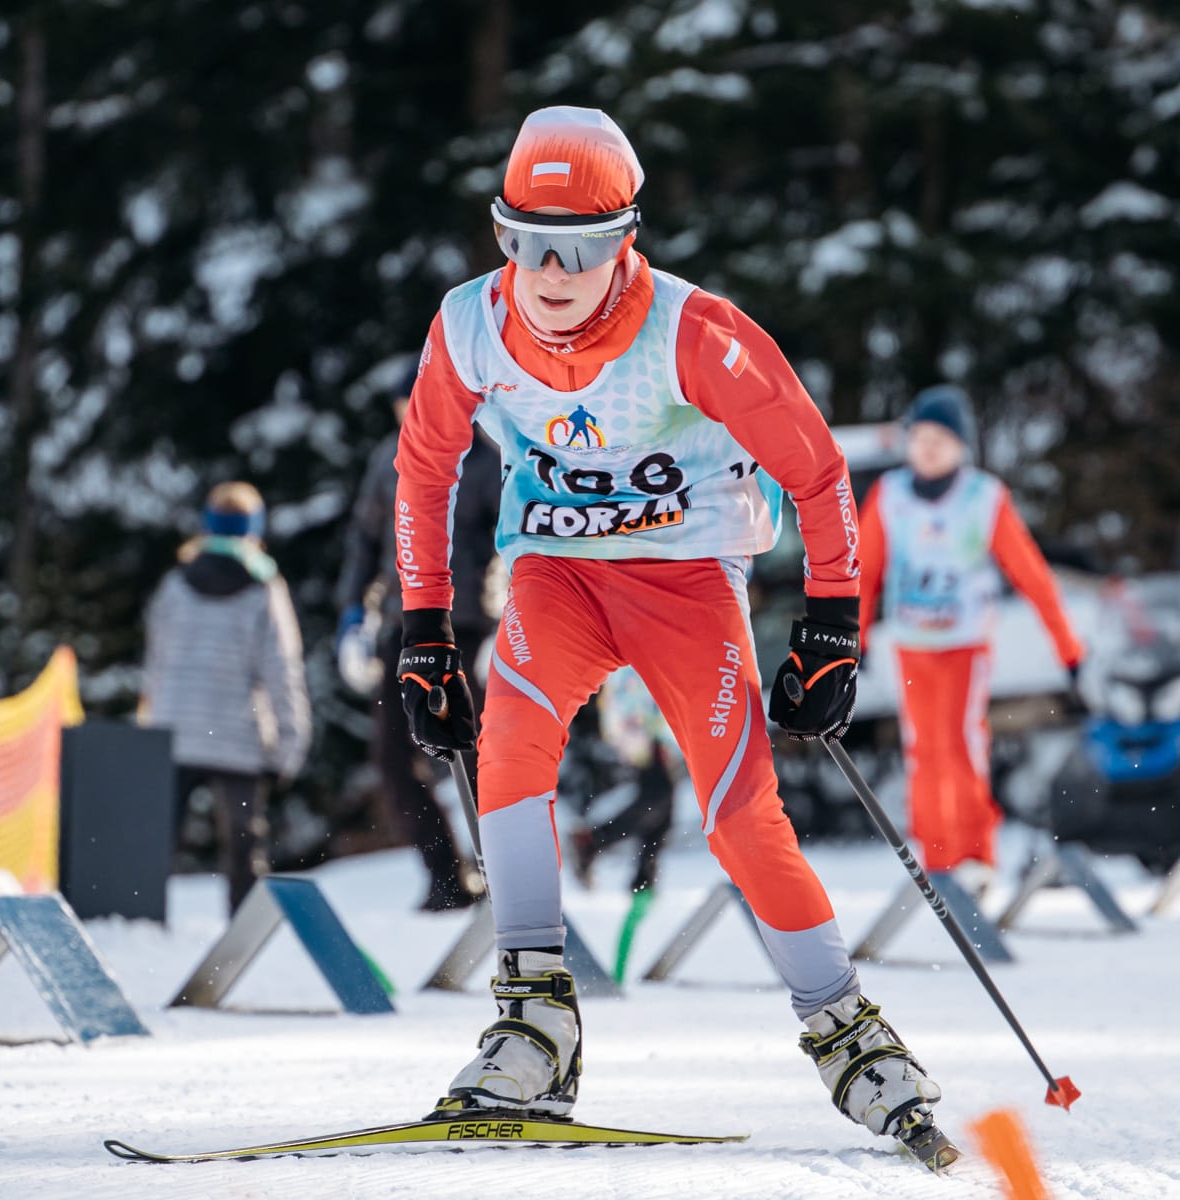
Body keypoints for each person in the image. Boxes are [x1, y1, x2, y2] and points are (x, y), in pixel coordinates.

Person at [391, 106, 947, 1159]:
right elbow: (424, 469)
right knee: (509, 747)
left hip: (686, 581)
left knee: (739, 812)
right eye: (525, 242)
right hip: (557, 574)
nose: (550, 273)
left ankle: (847, 1030)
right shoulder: (468, 325)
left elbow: (818, 470)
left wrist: (832, 624)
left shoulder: (694, 333)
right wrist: (425, 629)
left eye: (582, 247)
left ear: (626, 241)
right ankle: (535, 1020)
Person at [858, 386, 1086, 895]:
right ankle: (937, 859)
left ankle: (976, 855)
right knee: (924, 749)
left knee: (961, 742)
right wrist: (855, 634)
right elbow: (864, 570)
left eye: (940, 440)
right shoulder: (891, 496)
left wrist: (1069, 650)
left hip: (964, 643)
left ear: (960, 447)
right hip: (913, 643)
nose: (928, 449)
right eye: (920, 438)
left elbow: (1032, 576)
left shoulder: (984, 498)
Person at [337, 378, 503, 910]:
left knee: (474, 752)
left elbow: (513, 541)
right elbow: (366, 539)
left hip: (467, 625)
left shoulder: (486, 460)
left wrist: (507, 618)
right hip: (401, 626)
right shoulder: (388, 458)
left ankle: (501, 870)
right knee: (392, 756)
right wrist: (352, 609)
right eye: (402, 407)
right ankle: (445, 875)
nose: (410, 414)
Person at [141, 482, 311, 912]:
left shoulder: (175, 584)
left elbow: (156, 659)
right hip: (238, 736)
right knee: (243, 843)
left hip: (174, 730)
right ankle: (243, 929)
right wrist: (289, 745)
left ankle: (141, 922)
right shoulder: (264, 588)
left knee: (157, 841)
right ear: (255, 530)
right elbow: (283, 669)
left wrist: (150, 722)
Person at [570, 665, 679, 982]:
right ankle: (594, 842)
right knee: (658, 793)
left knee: (663, 801)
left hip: (645, 707)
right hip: (639, 705)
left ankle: (643, 877)